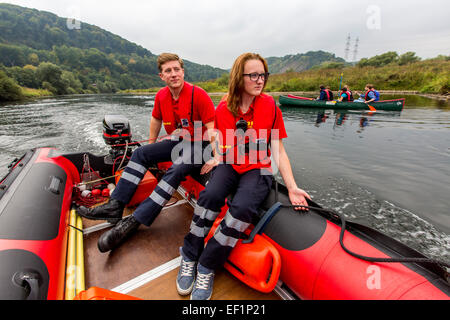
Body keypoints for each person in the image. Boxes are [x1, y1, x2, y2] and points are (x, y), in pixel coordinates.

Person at [175, 53, 311, 300]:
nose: (260, 80)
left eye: (263, 75)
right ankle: (189, 252)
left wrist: (292, 187)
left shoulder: (270, 106)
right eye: (254, 75)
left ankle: (206, 265)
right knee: (209, 197)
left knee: (242, 208)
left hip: (257, 168)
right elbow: (222, 143)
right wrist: (218, 157)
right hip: (230, 163)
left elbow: (278, 149)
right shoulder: (225, 108)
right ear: (240, 77)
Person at [77, 53, 216, 252]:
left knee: (176, 171)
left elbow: (213, 127)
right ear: (161, 76)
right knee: (140, 154)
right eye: (168, 71)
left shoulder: (198, 94)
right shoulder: (161, 96)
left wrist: (216, 155)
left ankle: (134, 221)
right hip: (178, 142)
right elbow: (156, 120)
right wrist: (151, 148)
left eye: (177, 69)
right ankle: (115, 206)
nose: (173, 74)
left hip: (201, 146)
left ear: (183, 72)